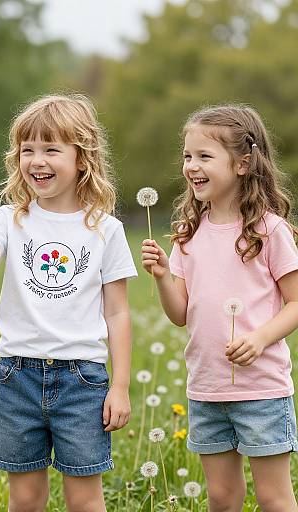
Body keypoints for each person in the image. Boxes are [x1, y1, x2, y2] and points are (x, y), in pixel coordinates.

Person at [0, 94, 137, 512]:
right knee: (24, 497)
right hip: (16, 376)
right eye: (28, 149)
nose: (37, 160)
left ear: (82, 159)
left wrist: (121, 386)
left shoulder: (106, 229)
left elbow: (118, 312)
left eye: (52, 149)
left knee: (86, 498)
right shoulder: (9, 219)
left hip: (83, 381)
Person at [142, 105, 298, 511]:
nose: (192, 166)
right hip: (206, 389)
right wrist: (161, 275)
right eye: (188, 156)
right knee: (222, 496)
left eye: (205, 157)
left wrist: (261, 338)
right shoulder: (187, 235)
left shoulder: (269, 230)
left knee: (273, 496)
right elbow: (180, 314)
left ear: (243, 163)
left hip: (261, 390)